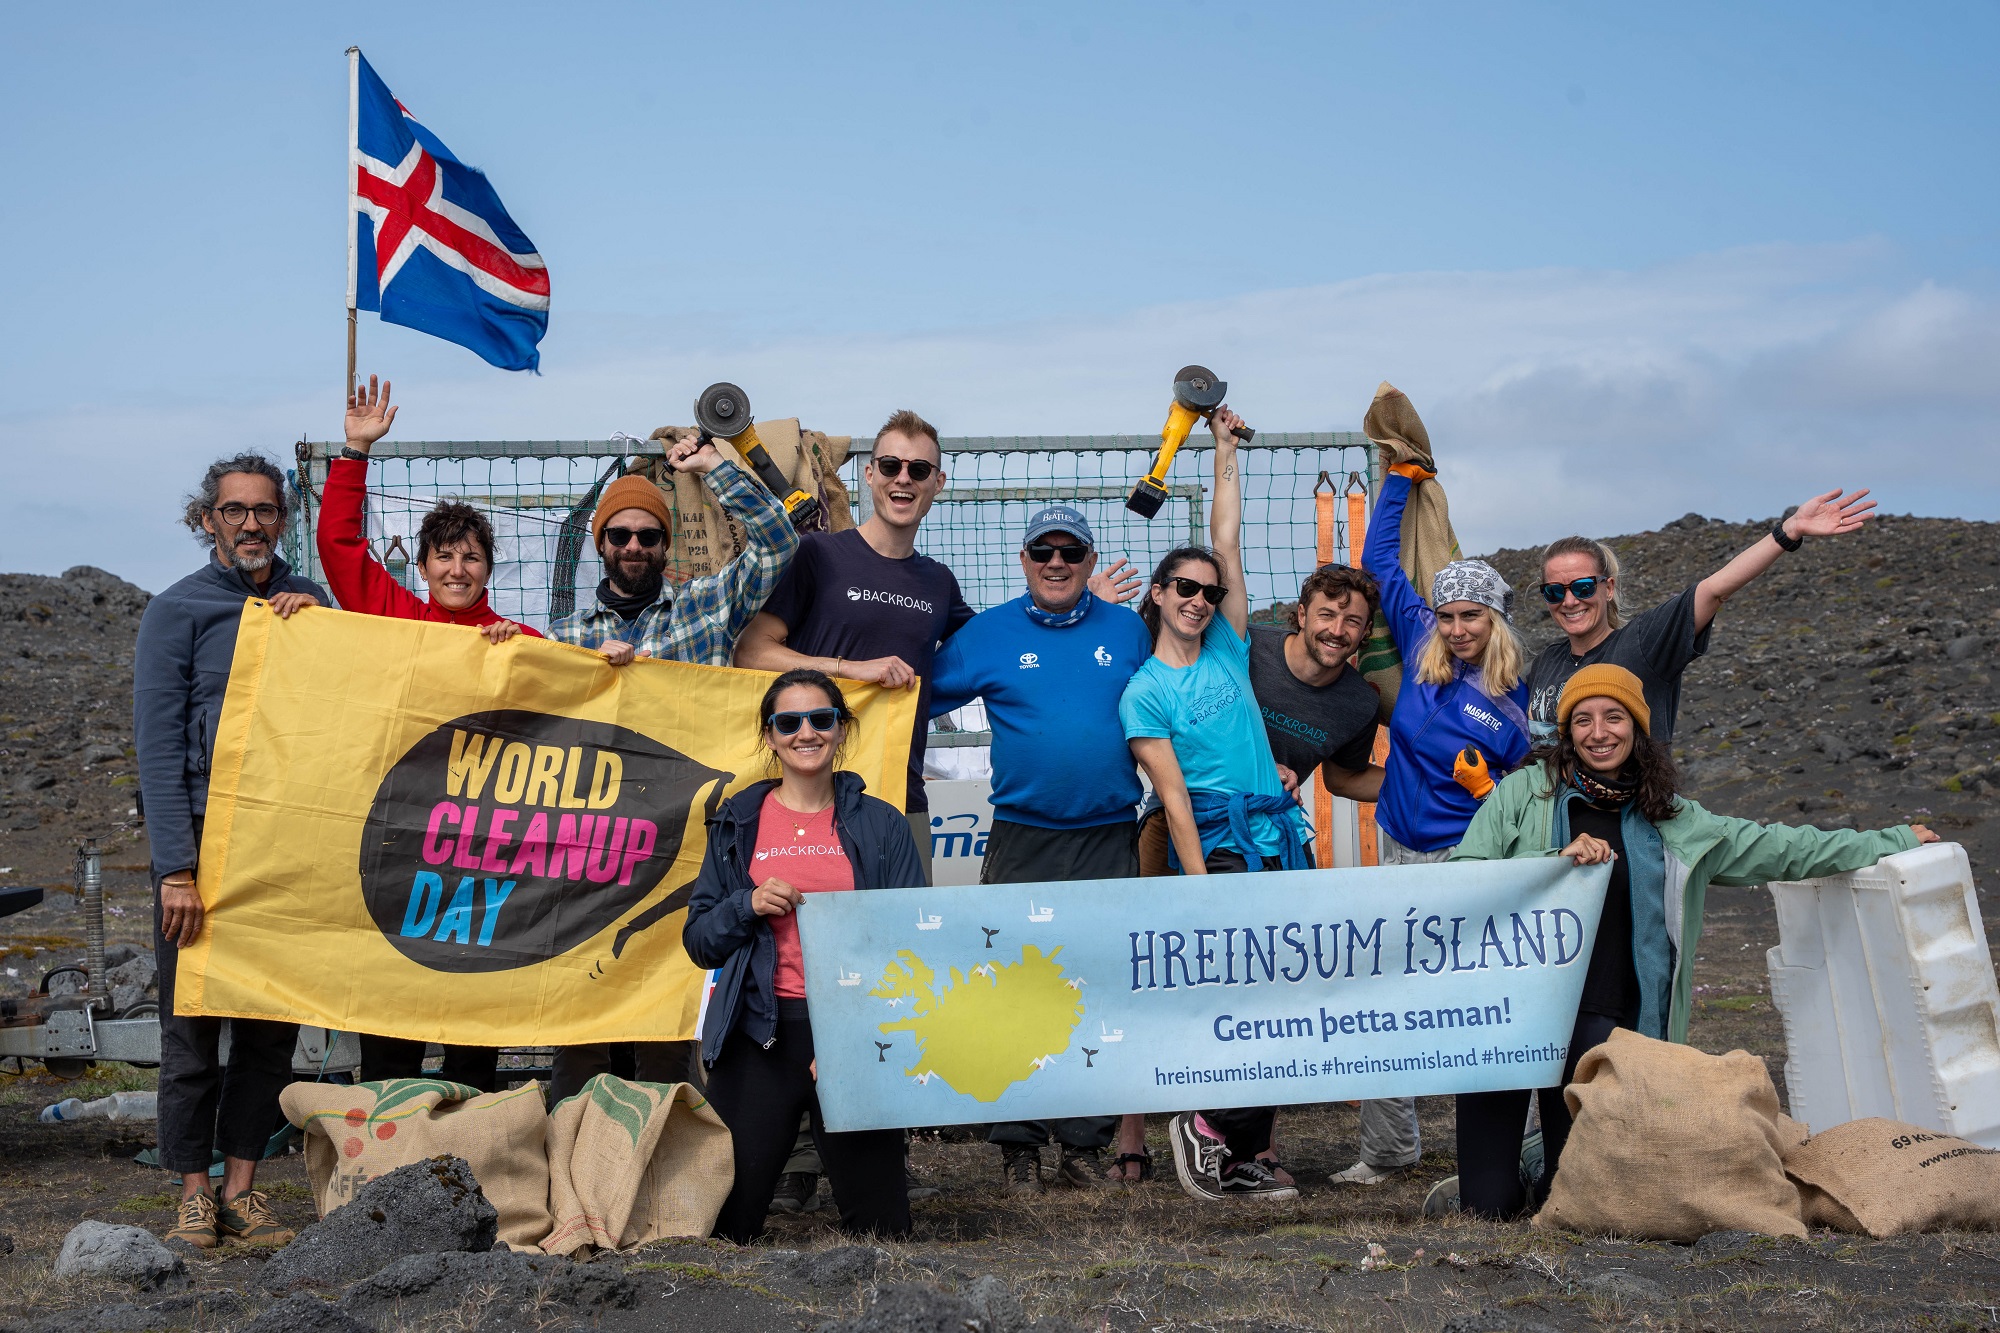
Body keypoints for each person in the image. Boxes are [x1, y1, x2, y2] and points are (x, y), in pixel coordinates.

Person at [1444, 664, 1938, 1219]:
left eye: (1614, 717)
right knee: (1485, 1209)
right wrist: (1551, 863)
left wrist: (1891, 839)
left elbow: (1782, 847)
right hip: (1507, 1013)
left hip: (1599, 1023)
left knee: (1573, 1200)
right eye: (1582, 720)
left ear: (1637, 728)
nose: (1598, 732)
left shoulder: (1673, 821)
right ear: (1567, 732)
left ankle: (1540, 1163)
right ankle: (1500, 1177)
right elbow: (1462, 876)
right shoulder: (1522, 794)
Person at [542, 435, 799, 1107]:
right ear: (601, 543)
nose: (634, 546)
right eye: (620, 533)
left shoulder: (706, 607)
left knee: (674, 998)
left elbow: (779, 544)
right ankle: (579, 1155)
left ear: (665, 544)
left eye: (650, 535)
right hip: (591, 849)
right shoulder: (565, 637)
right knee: (583, 1006)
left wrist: (715, 468)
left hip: (688, 844)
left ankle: (673, 1159)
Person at [324, 375, 541, 1092]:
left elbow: (589, 694)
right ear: (422, 568)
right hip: (398, 844)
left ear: (488, 569)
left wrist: (537, 660)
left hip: (481, 852)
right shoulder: (393, 614)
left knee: (470, 1012)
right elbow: (339, 546)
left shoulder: (518, 639)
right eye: (444, 556)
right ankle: (389, 1143)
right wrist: (355, 452)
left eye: (471, 556)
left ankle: (474, 1154)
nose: (457, 567)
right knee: (391, 1006)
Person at [928, 505, 1152, 1195]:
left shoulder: (1128, 628)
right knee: (1010, 991)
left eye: (1070, 552)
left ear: (1090, 560)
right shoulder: (987, 633)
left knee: (1096, 986)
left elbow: (1178, 698)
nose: (1056, 562)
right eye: (1042, 551)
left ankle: (1081, 1145)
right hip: (1023, 836)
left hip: (1109, 833)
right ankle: (1017, 1146)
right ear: (1023, 559)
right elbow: (904, 695)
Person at [136, 452, 325, 1252]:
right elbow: (156, 748)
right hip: (203, 864)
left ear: (282, 519)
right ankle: (192, 1191)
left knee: (267, 1034)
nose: (251, 523)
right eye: (234, 510)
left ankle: (244, 1191)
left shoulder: (309, 603)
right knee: (191, 1036)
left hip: (281, 856)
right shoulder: (174, 612)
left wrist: (311, 630)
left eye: (265, 510)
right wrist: (175, 869)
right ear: (207, 518)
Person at [1119, 407, 1307, 1203]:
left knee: (1280, 987)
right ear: (1158, 594)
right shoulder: (1145, 692)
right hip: (1222, 842)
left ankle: (1250, 1153)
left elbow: (1227, 540)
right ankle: (1207, 1125)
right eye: (1183, 588)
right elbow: (1172, 798)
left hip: (1277, 833)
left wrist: (1224, 452)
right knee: (1244, 988)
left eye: (1207, 591)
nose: (1198, 597)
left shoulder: (1230, 643)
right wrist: (1199, 881)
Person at [682, 669, 927, 1244]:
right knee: (725, 1230)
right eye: (788, 722)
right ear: (769, 736)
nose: (806, 733)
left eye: (821, 719)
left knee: (883, 1235)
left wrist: (853, 1040)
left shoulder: (882, 823)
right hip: (759, 1032)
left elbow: (912, 942)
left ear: (842, 729)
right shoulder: (738, 823)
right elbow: (700, 942)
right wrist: (747, 903)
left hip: (852, 1030)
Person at [1357, 457, 1534, 1180]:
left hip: (1461, 861)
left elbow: (1528, 806)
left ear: (1496, 619)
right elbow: (1376, 558)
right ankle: (1389, 1148)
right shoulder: (1419, 637)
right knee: (1381, 992)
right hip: (1394, 845)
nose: (1459, 628)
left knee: (1472, 1000)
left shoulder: (1517, 695)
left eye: (1473, 616)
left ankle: (1514, 1144)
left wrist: (1488, 783)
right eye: (1451, 614)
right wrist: (1399, 478)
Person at [1525, 489, 1877, 747]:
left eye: (1583, 587)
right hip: (1558, 834)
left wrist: (1789, 532)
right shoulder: (1546, 663)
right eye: (1554, 591)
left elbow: (1714, 590)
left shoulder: (1644, 644)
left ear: (1609, 588)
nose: (1569, 600)